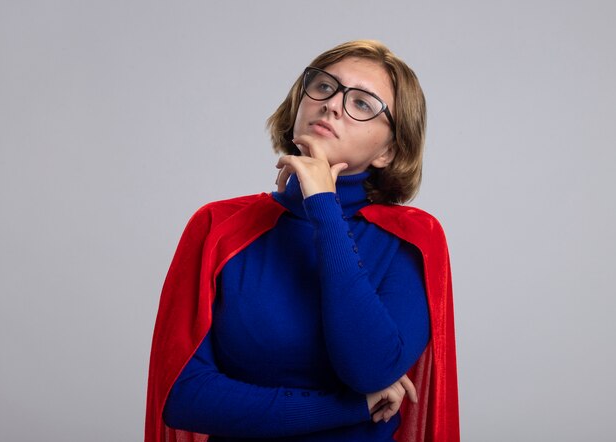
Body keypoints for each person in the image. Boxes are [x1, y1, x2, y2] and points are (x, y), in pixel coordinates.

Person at [145, 40, 459, 442]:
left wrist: (324, 207)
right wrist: (352, 407)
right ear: (300, 101)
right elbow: (184, 398)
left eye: (362, 104)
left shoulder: (412, 239)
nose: (332, 105)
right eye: (325, 87)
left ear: (388, 151)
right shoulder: (217, 227)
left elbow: (369, 369)